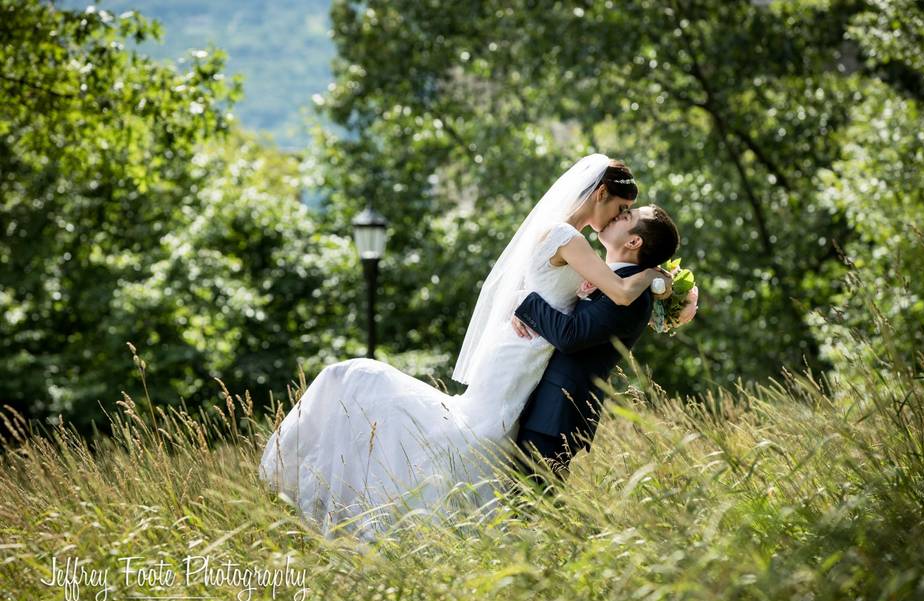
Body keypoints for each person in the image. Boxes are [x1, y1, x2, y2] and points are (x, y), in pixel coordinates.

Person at [258, 154, 672, 540]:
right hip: (525, 348)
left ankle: (445, 525)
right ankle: (421, 513)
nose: (620, 218)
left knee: (485, 437)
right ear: (600, 195)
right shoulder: (569, 237)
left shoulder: (570, 236)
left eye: (626, 216)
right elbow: (618, 290)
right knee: (476, 434)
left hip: (528, 348)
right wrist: (658, 276)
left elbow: (578, 291)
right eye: (620, 209)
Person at [510, 205, 681, 494]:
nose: (616, 215)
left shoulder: (633, 298)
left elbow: (570, 336)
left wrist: (524, 301)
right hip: (544, 405)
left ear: (634, 242)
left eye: (626, 217)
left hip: (556, 414)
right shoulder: (612, 279)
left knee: (528, 504)